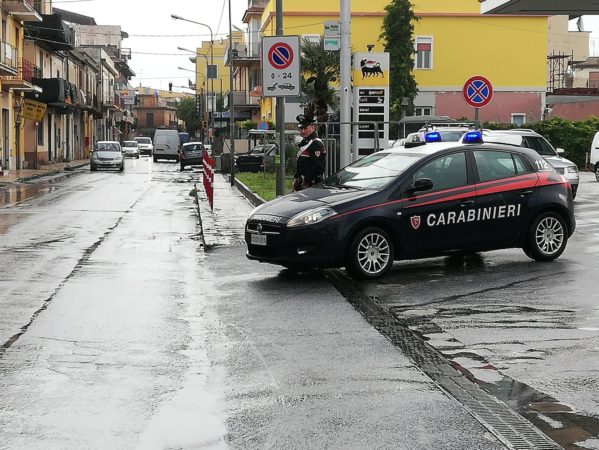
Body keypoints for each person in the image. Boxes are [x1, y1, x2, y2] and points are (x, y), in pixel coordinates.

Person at [293, 114, 326, 191]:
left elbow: (319, 167)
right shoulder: (305, 141)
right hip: (302, 183)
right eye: (301, 128)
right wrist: (296, 177)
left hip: (312, 184)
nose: (302, 131)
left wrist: (305, 179)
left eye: (305, 128)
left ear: (312, 127)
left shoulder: (316, 143)